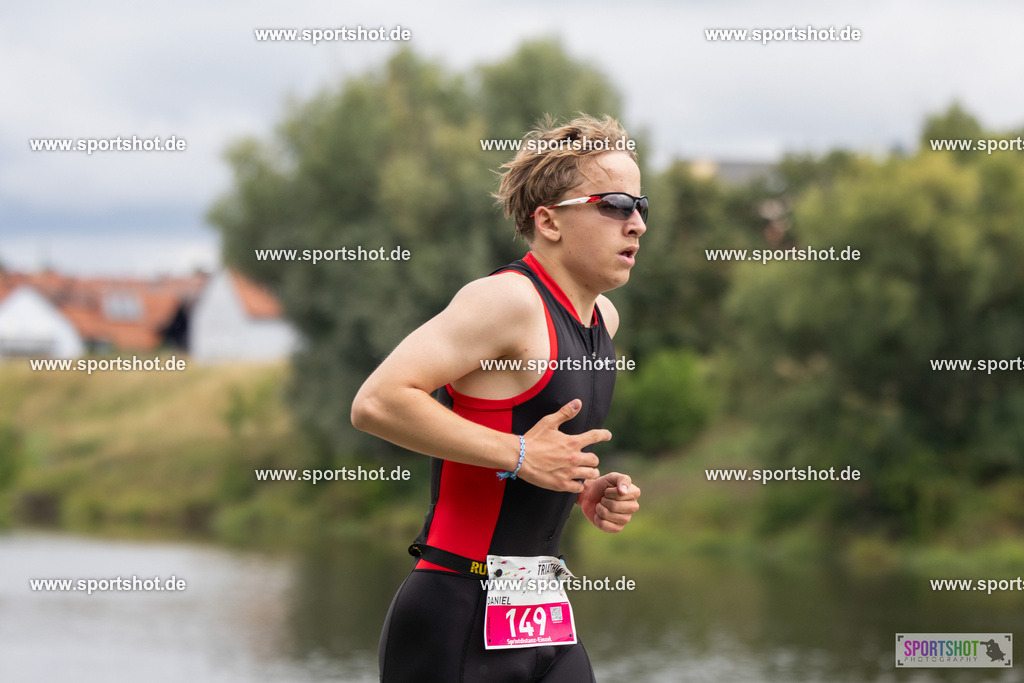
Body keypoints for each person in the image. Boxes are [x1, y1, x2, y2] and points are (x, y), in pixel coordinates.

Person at [351, 113, 644, 682]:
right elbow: (377, 402)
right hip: (456, 613)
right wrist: (521, 455)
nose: (635, 224)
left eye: (640, 206)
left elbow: (525, 442)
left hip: (542, 611)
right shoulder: (505, 301)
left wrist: (578, 486)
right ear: (549, 221)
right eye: (613, 205)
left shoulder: (602, 319)